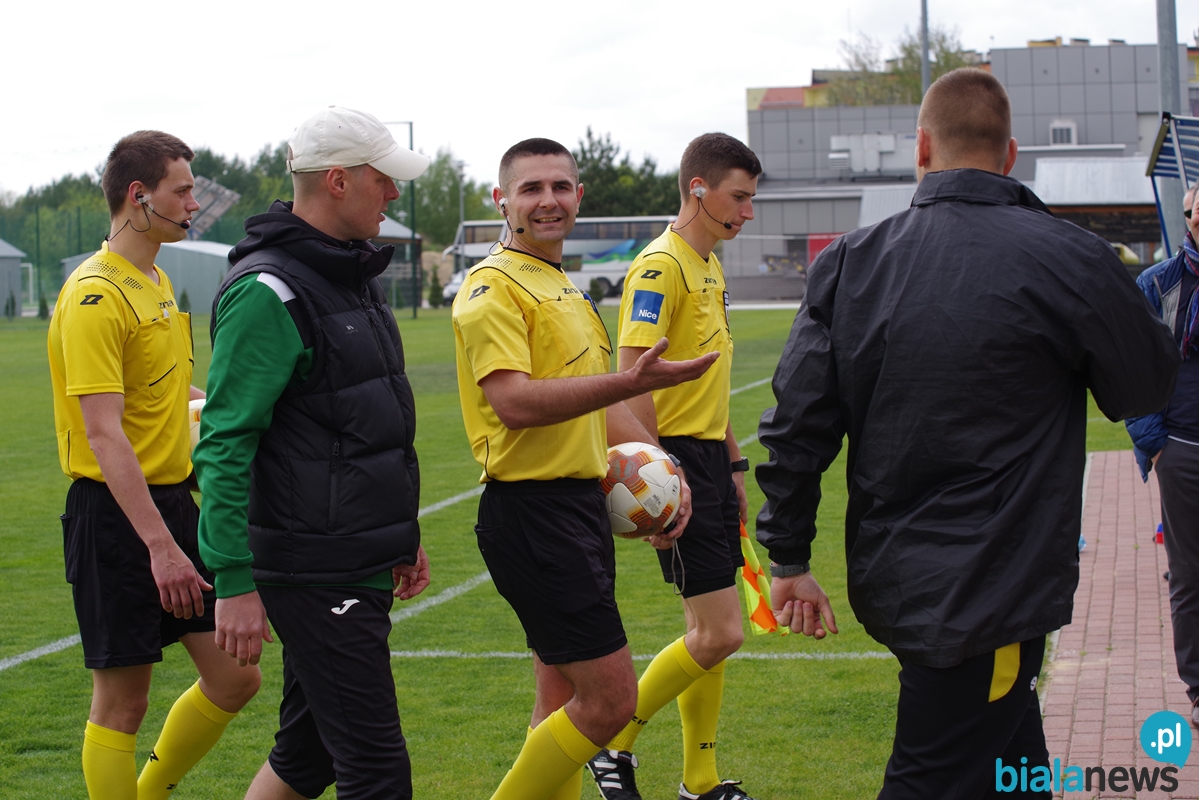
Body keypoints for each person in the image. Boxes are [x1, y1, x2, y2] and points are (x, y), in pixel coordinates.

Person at [754, 68, 1179, 798]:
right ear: (1010, 155)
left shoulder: (852, 261)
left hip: (921, 578)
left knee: (1014, 763)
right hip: (994, 586)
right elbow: (1145, 386)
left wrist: (788, 553)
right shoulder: (1067, 254)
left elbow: (795, 426)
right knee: (933, 776)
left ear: (920, 147)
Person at [452, 137, 718, 800]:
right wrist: (630, 381)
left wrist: (667, 470)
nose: (548, 201)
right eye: (531, 188)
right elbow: (514, 402)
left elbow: (599, 403)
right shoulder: (491, 287)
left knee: (558, 701)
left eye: (560, 187)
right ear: (501, 200)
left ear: (578, 195)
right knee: (609, 702)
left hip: (577, 506)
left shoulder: (564, 286)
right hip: (532, 514)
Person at [193, 107, 432, 800]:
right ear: (337, 180)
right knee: (376, 772)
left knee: (308, 758)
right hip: (315, 570)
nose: (394, 193)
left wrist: (396, 534)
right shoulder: (268, 291)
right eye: (383, 179)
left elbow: (356, 427)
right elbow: (224, 443)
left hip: (351, 554)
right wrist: (233, 581)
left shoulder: (349, 273)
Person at [48, 130, 261, 800]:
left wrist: (240, 417)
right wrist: (160, 548)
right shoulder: (94, 295)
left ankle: (148, 791)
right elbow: (104, 434)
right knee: (122, 703)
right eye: (183, 190)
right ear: (139, 197)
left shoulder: (157, 281)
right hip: (118, 518)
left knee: (235, 677)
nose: (195, 203)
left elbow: (171, 396)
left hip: (172, 504)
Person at [586, 132, 762, 800]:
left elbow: (705, 382)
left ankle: (699, 781)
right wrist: (661, 479)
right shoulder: (660, 267)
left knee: (708, 633)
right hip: (675, 458)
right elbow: (632, 376)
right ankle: (612, 745)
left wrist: (734, 467)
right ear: (698, 188)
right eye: (738, 197)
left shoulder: (708, 265)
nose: (746, 212)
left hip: (708, 458)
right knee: (719, 632)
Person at [1126, 182, 1199, 728]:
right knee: (1191, 575)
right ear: (1188, 217)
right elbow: (1133, 369)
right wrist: (1155, 446)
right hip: (1184, 450)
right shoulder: (1157, 283)